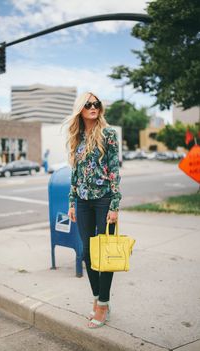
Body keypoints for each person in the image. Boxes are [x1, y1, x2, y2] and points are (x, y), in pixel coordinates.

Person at [67, 92, 122, 328]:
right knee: (88, 253)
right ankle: (98, 299)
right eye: (88, 104)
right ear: (80, 109)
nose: (93, 107)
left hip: (103, 200)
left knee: (106, 253)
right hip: (82, 201)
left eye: (96, 104)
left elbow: (114, 169)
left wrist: (115, 204)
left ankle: (103, 304)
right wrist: (72, 201)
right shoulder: (77, 137)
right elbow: (75, 173)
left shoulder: (108, 133)